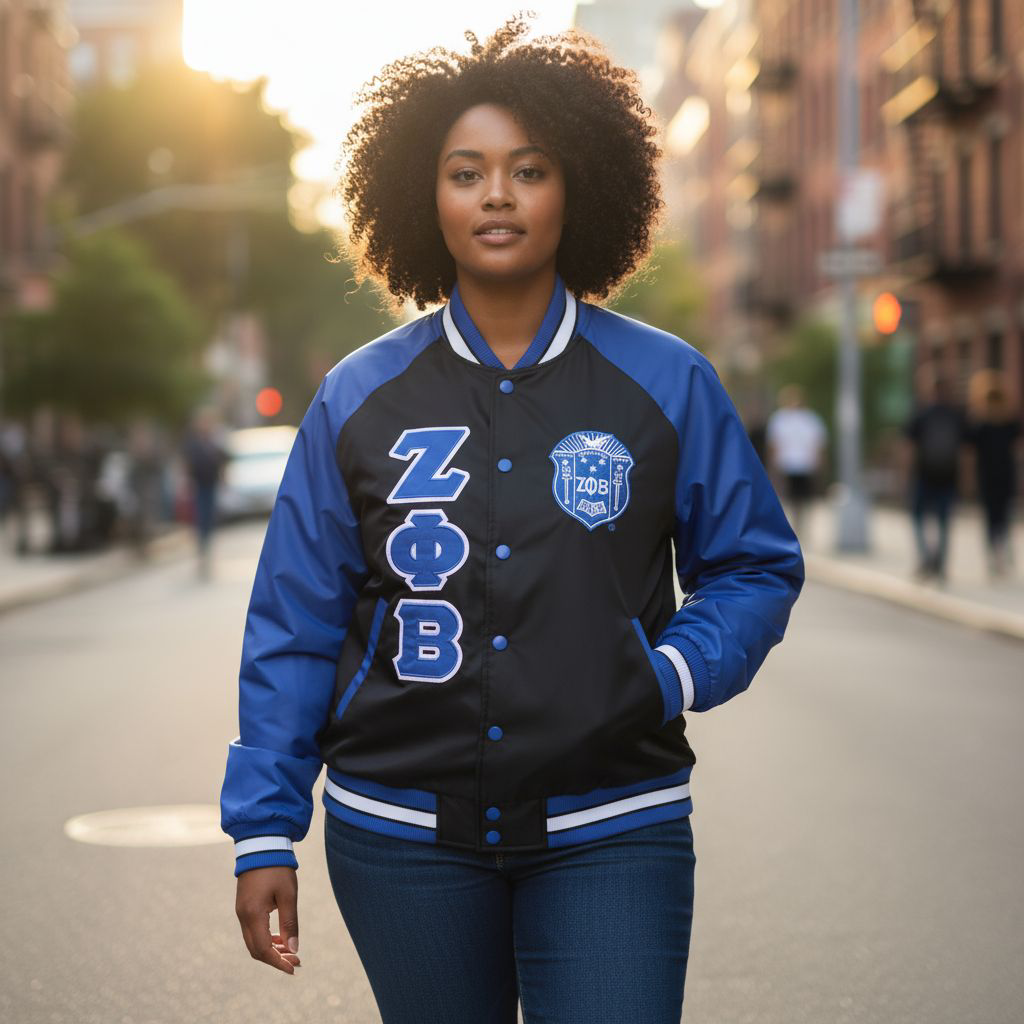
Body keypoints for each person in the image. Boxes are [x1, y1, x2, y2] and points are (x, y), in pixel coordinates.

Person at [220, 17, 804, 1023]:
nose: (496, 194)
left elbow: (754, 566)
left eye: (527, 169)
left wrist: (669, 672)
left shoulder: (668, 381)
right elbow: (297, 619)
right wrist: (264, 829)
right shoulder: (356, 394)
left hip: (614, 821)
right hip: (398, 832)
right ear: (421, 193)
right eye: (464, 171)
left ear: (577, 184)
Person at [903, 368, 967, 582]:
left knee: (918, 518)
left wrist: (905, 474)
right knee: (944, 522)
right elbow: (965, 450)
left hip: (924, 475)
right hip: (949, 475)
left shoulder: (922, 413)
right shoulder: (957, 414)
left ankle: (926, 558)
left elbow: (909, 447)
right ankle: (940, 564)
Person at [966, 369, 1021, 578]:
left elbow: (969, 454)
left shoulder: (980, 422)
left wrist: (969, 479)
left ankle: (994, 555)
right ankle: (1003, 550)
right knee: (1004, 516)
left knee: (991, 518)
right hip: (1005, 474)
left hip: (987, 475)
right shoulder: (1009, 421)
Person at [765, 384, 827, 536]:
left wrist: (818, 462)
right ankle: (793, 527)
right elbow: (774, 444)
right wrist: (773, 465)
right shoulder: (779, 419)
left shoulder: (810, 419)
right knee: (789, 498)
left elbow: (817, 443)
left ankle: (803, 528)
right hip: (786, 464)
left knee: (805, 499)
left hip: (805, 465)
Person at [181, 408, 226, 579]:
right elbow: (187, 464)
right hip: (199, 486)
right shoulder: (193, 444)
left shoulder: (214, 442)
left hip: (211, 485)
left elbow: (222, 460)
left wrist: (222, 477)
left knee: (210, 518)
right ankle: (201, 548)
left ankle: (207, 548)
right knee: (201, 518)